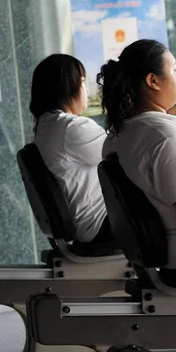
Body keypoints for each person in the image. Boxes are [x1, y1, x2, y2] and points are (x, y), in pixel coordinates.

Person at [98, 39, 176, 283]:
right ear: (153, 80)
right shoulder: (164, 138)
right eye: (174, 69)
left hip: (175, 256)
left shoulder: (119, 134)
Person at [31, 54, 112, 244]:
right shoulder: (70, 127)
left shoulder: (47, 126)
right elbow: (122, 154)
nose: (86, 89)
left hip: (86, 225)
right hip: (100, 222)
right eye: (82, 81)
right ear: (67, 87)